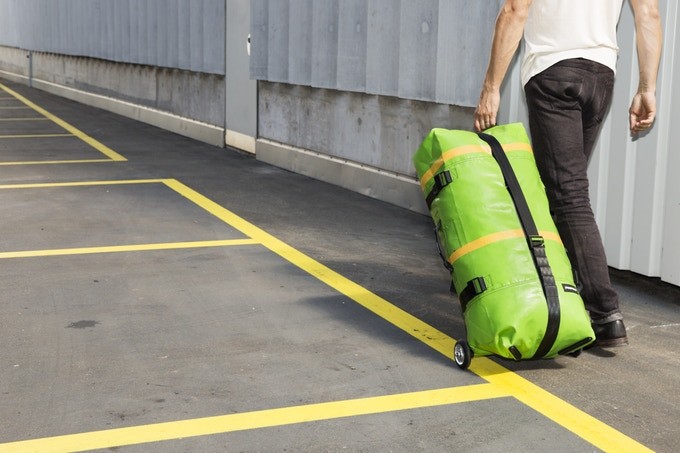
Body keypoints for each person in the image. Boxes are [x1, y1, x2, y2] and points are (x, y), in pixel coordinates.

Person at [473, 0, 663, 347]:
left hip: (553, 71)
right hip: (600, 75)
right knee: (559, 193)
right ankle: (559, 296)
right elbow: (648, 13)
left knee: (568, 195)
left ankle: (604, 311)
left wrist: (491, 88)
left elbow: (514, 9)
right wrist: (647, 89)